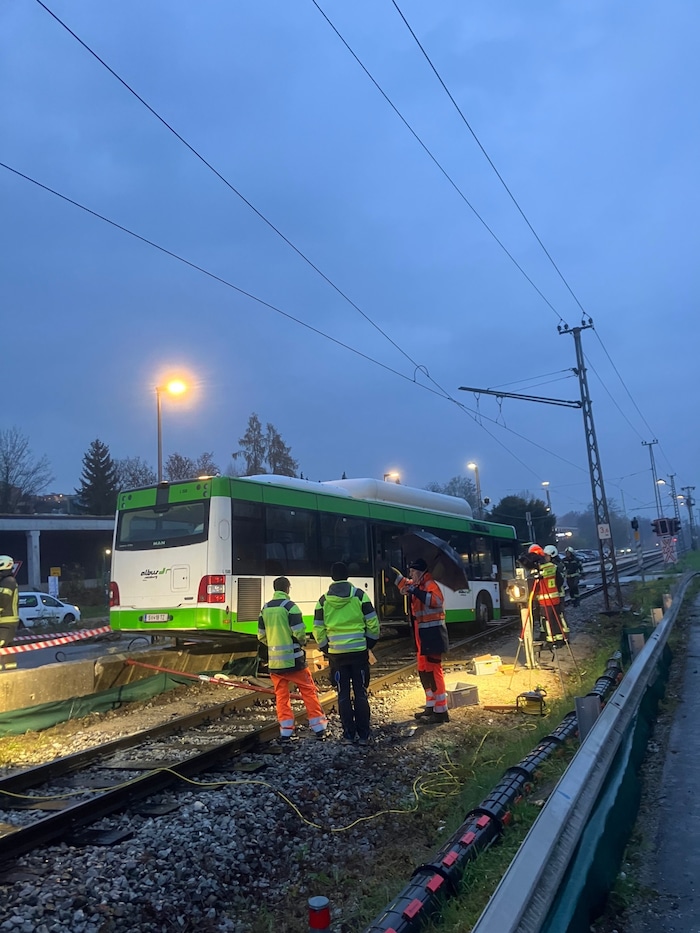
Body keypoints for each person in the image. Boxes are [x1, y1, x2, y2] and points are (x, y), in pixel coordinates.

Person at [313, 562, 379, 746]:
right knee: (360, 693)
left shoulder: (323, 600)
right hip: (359, 653)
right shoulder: (359, 596)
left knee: (342, 695)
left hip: (337, 656)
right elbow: (373, 623)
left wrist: (326, 648)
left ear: (332, 577)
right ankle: (364, 735)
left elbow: (317, 629)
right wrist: (368, 644)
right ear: (348, 576)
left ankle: (349, 735)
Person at [258, 576, 328, 743]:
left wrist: (274, 644)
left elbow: (261, 635)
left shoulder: (265, 609)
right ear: (287, 589)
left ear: (275, 589)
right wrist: (301, 642)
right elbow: (300, 633)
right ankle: (319, 729)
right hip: (294, 661)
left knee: (281, 696)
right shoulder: (291, 607)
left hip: (275, 663)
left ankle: (286, 732)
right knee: (308, 691)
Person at [392, 558, 450, 724]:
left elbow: (436, 601)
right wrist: (389, 569)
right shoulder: (418, 584)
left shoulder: (431, 585)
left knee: (434, 671)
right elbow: (403, 582)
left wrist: (415, 592)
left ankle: (441, 712)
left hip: (433, 634)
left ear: (419, 572)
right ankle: (430, 705)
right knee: (424, 670)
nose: (410, 574)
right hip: (422, 635)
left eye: (412, 572)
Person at [528, 545, 569, 648]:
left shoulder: (541, 570)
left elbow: (534, 585)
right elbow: (559, 580)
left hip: (546, 599)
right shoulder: (553, 567)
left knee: (548, 620)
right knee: (556, 619)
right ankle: (560, 639)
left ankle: (552, 641)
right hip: (554, 598)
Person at [0, 556, 19, 649]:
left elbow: (2, 600)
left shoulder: (7, 581)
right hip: (8, 621)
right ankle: (10, 664)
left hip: (5, 621)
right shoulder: (8, 581)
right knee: (8, 649)